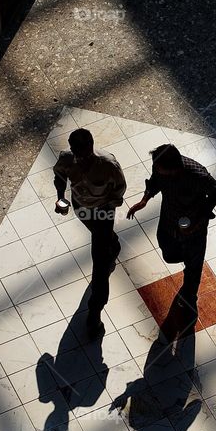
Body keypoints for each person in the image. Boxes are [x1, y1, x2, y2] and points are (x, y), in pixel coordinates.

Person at [126, 144, 216, 327]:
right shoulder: (160, 168)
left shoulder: (196, 174)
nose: (156, 169)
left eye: (159, 167)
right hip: (169, 221)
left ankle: (189, 297)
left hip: (194, 228)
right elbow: (154, 181)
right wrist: (144, 199)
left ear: (173, 168)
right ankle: (187, 262)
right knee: (169, 253)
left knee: (194, 268)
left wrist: (200, 218)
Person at [53, 128, 126, 337]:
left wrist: (107, 210)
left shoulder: (108, 164)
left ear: (92, 147)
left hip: (103, 212)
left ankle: (94, 312)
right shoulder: (67, 159)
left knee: (100, 263)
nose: (81, 160)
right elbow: (59, 175)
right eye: (78, 154)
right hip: (81, 208)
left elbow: (119, 189)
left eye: (85, 154)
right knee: (101, 239)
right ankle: (112, 242)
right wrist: (60, 196)